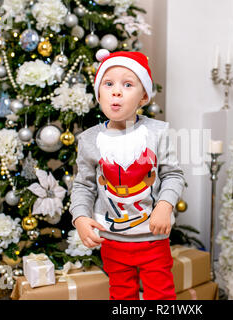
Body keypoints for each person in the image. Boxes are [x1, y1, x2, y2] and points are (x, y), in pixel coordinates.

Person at [70, 51, 186, 300]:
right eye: (108, 83)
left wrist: (165, 205)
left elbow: (173, 175)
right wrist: (80, 217)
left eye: (128, 84)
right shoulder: (89, 140)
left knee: (161, 295)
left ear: (143, 96)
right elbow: (83, 185)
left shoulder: (158, 132)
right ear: (98, 93)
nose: (116, 92)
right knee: (121, 296)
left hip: (153, 239)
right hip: (112, 240)